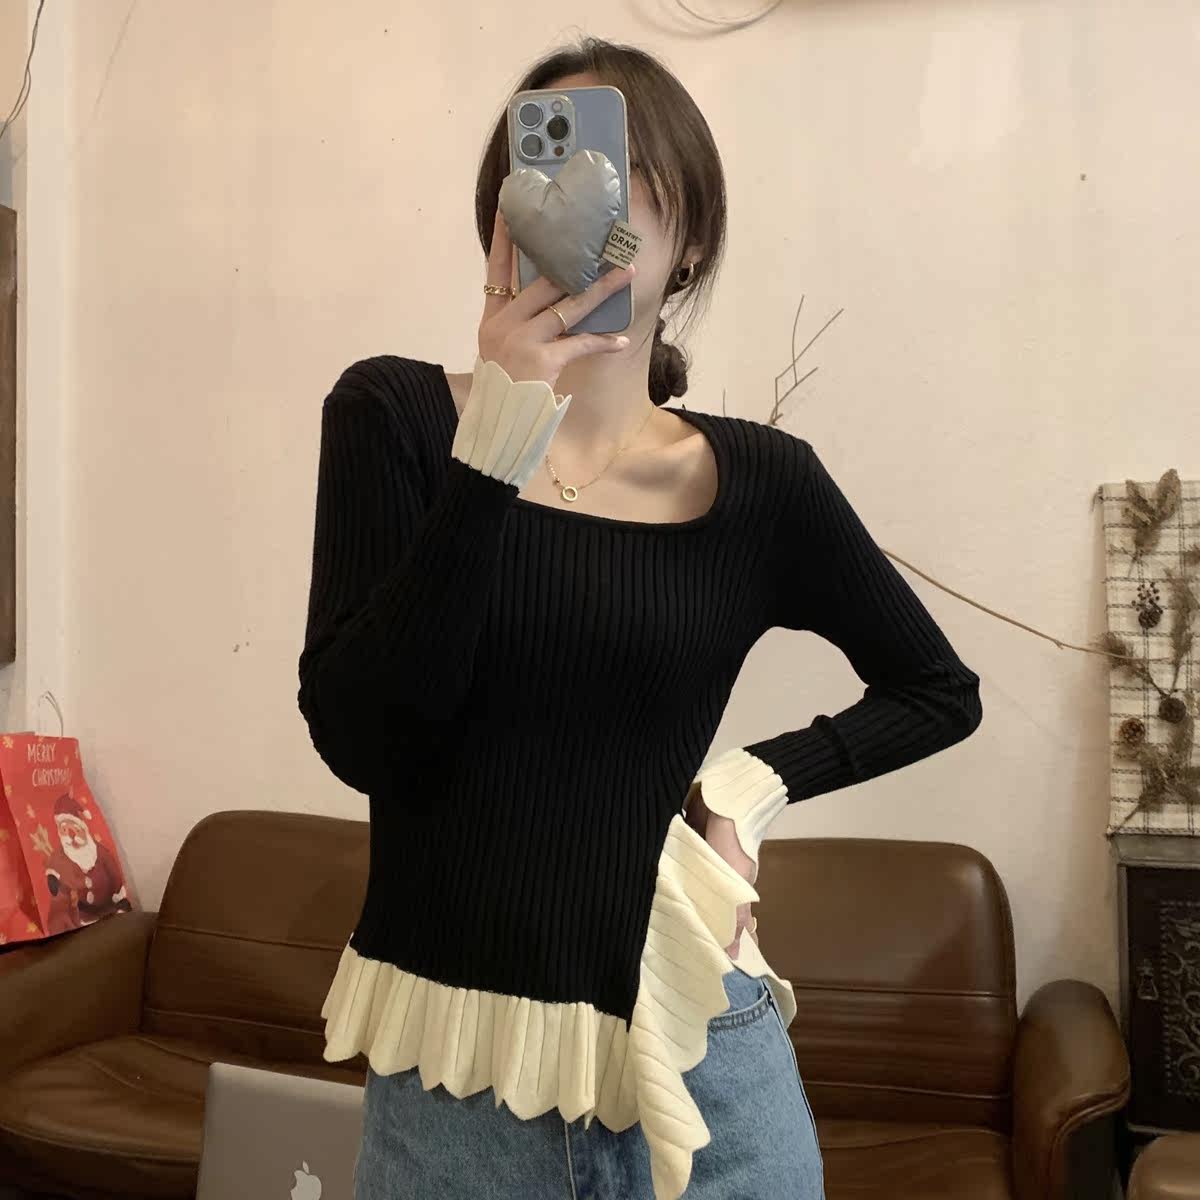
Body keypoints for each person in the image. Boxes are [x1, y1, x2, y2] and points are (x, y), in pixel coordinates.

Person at [297, 35, 983, 1200]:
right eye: (548, 176)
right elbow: (367, 741)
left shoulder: (759, 483)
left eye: (617, 179)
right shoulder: (395, 418)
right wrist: (496, 441)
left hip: (709, 1066)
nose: (583, 209)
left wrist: (746, 788)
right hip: (462, 1097)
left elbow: (936, 691)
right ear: (501, 215)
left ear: (691, 237)